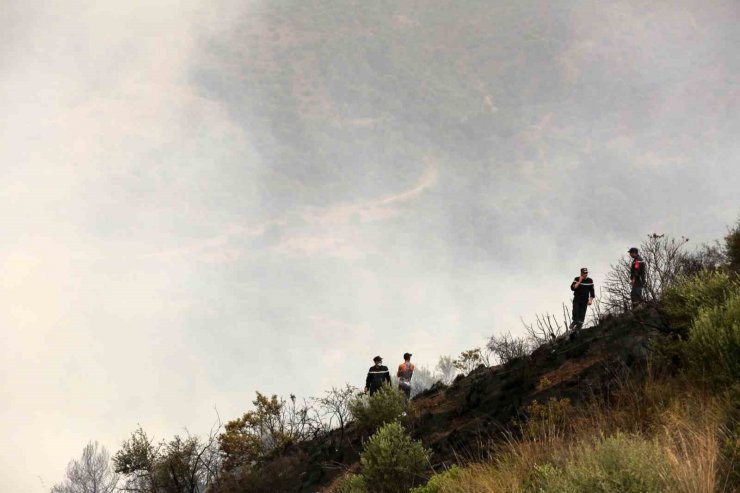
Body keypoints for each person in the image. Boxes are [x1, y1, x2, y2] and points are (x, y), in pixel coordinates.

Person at [569, 267, 595, 333]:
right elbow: (573, 288)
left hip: (584, 299)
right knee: (575, 310)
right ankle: (574, 322)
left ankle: (578, 328)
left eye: (586, 273)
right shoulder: (576, 279)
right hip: (577, 298)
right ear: (581, 273)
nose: (585, 274)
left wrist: (590, 300)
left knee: (582, 314)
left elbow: (592, 291)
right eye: (584, 273)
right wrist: (579, 281)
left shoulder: (590, 280)